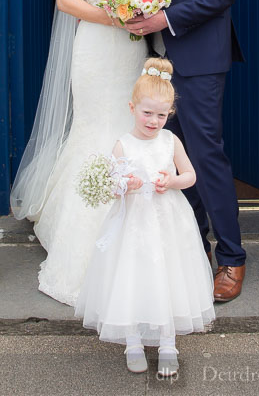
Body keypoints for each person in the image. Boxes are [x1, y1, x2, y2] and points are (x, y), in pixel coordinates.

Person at [10, 0, 150, 306]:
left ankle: (134, 242)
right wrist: (114, 16)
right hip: (95, 50)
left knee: (129, 133)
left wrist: (142, 14)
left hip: (133, 50)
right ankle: (82, 247)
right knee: (97, 131)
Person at [125, 0, 246, 303]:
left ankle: (231, 259)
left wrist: (165, 18)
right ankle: (194, 249)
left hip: (198, 61)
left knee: (205, 158)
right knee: (170, 158)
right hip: (159, 62)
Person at [75, 58, 214, 379]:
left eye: (161, 115)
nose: (153, 121)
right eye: (147, 112)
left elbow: (190, 175)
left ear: (170, 114)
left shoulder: (171, 141)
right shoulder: (123, 145)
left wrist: (172, 181)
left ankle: (168, 344)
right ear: (131, 107)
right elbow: (110, 185)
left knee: (168, 275)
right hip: (134, 223)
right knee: (133, 276)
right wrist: (126, 184)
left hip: (169, 220)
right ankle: (133, 342)